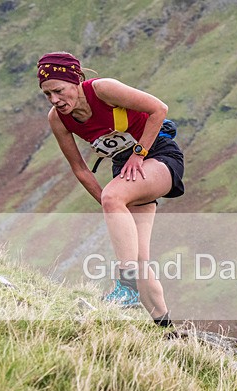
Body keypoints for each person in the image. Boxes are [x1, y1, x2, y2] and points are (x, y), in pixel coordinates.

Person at [37, 52, 183, 330]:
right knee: (139, 257)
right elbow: (80, 169)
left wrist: (139, 154)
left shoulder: (102, 89)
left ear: (76, 80)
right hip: (125, 172)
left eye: (58, 90)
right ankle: (167, 332)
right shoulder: (58, 119)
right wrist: (110, 204)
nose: (54, 99)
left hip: (159, 157)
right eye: (47, 94)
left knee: (113, 197)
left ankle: (125, 287)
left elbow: (159, 109)